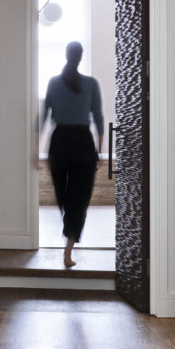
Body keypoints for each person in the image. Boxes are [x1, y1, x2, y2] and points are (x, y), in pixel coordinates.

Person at [40, 41, 104, 267]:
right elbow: (98, 117)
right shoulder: (90, 83)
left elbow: (43, 117)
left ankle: (68, 244)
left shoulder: (53, 82)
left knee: (65, 197)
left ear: (66, 55)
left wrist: (34, 149)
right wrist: (98, 150)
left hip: (59, 142)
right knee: (79, 197)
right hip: (82, 142)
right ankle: (70, 241)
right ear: (80, 57)